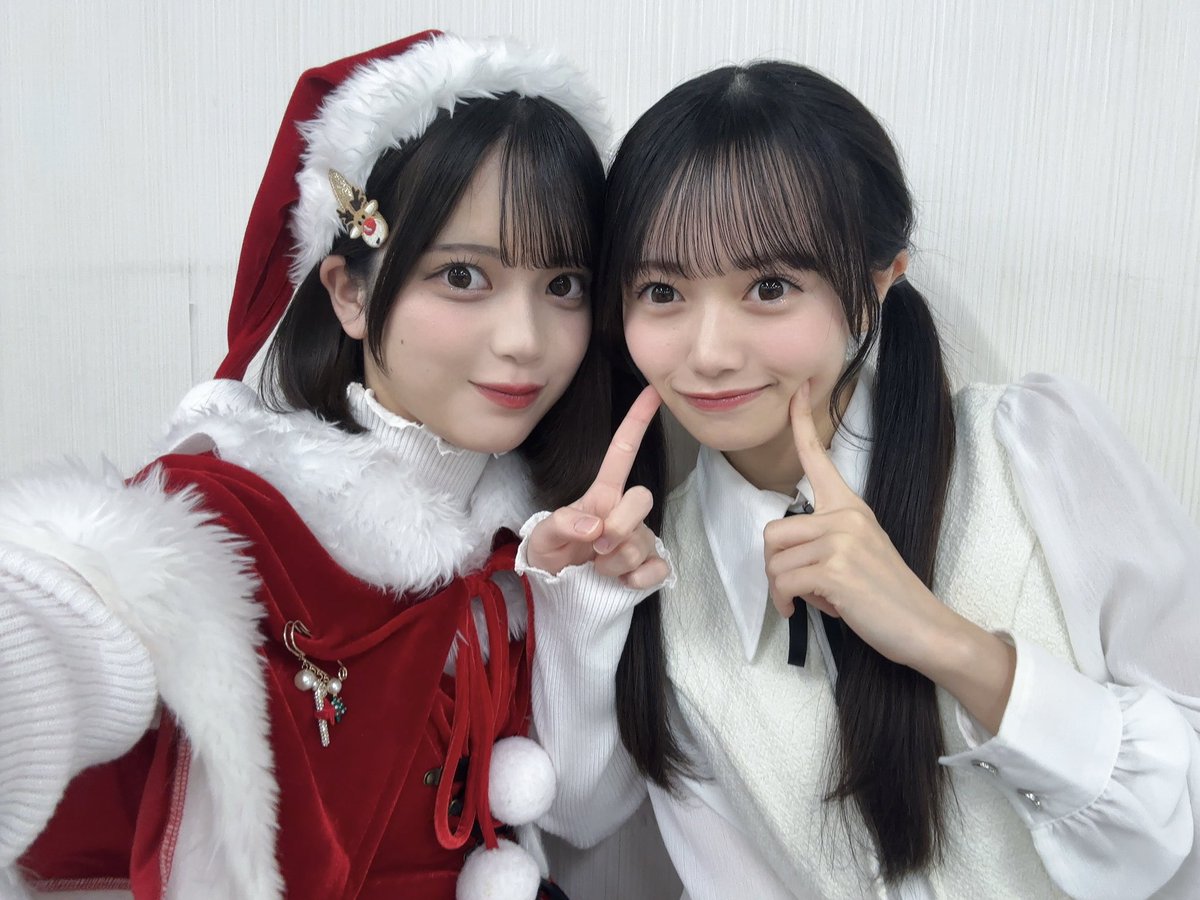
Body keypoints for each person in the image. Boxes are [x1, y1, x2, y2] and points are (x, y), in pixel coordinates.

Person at [0, 30, 668, 900]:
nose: (525, 340)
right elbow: (66, 617)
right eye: (463, 277)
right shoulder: (230, 519)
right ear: (350, 292)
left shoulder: (531, 537)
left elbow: (583, 816)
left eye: (564, 285)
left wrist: (584, 598)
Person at [531, 61, 1200, 899]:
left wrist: (946, 641)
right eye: (662, 290)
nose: (709, 353)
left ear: (879, 281)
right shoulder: (660, 581)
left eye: (769, 287)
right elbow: (596, 822)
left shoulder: (1033, 452)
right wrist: (578, 600)